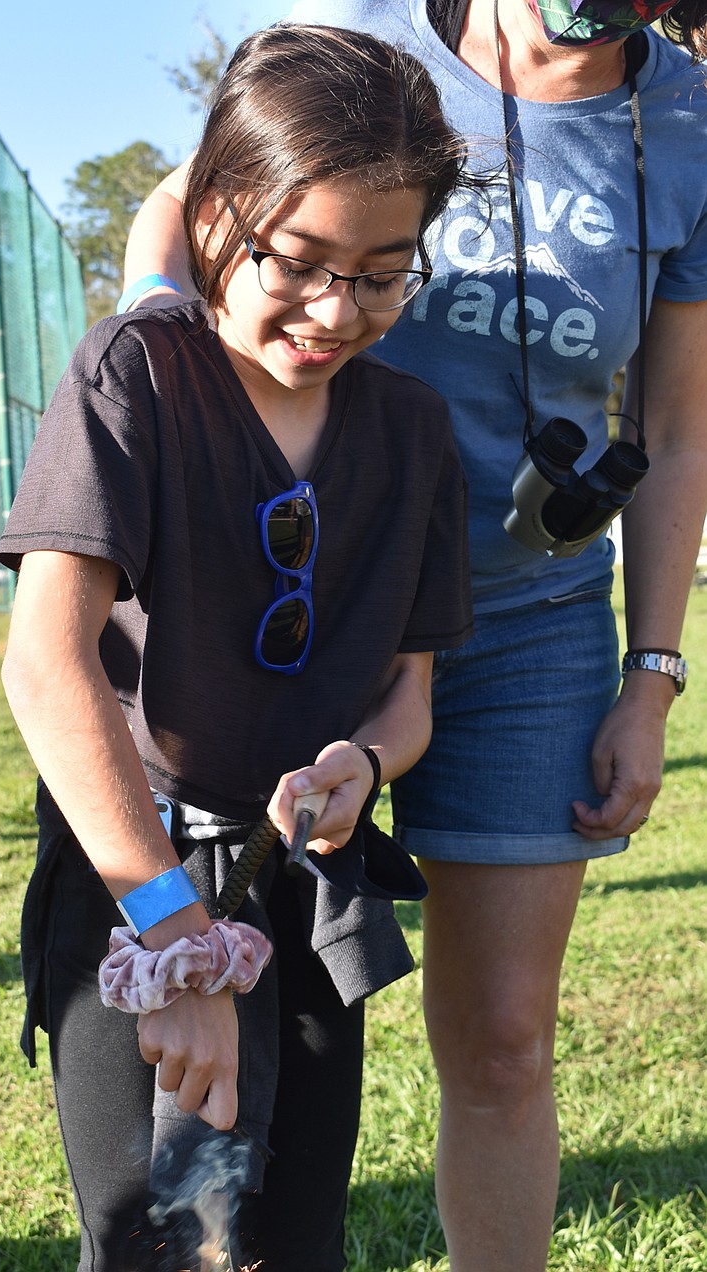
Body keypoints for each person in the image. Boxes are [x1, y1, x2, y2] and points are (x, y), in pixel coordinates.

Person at [123, 3, 707, 1270]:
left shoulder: (690, 121)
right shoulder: (368, 36)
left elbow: (677, 424)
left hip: (526, 620)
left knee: (504, 1038)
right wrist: (152, 339)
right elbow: (187, 208)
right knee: (245, 1018)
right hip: (299, 614)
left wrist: (649, 677)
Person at [0, 23, 477, 1272]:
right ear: (214, 216)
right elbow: (46, 667)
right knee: (165, 1239)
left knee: (288, 1238)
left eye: (382, 273)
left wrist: (361, 770)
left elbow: (406, 701)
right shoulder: (135, 375)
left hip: (310, 900)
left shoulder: (414, 431)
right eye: (300, 261)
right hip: (133, 888)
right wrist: (176, 941)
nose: (335, 311)